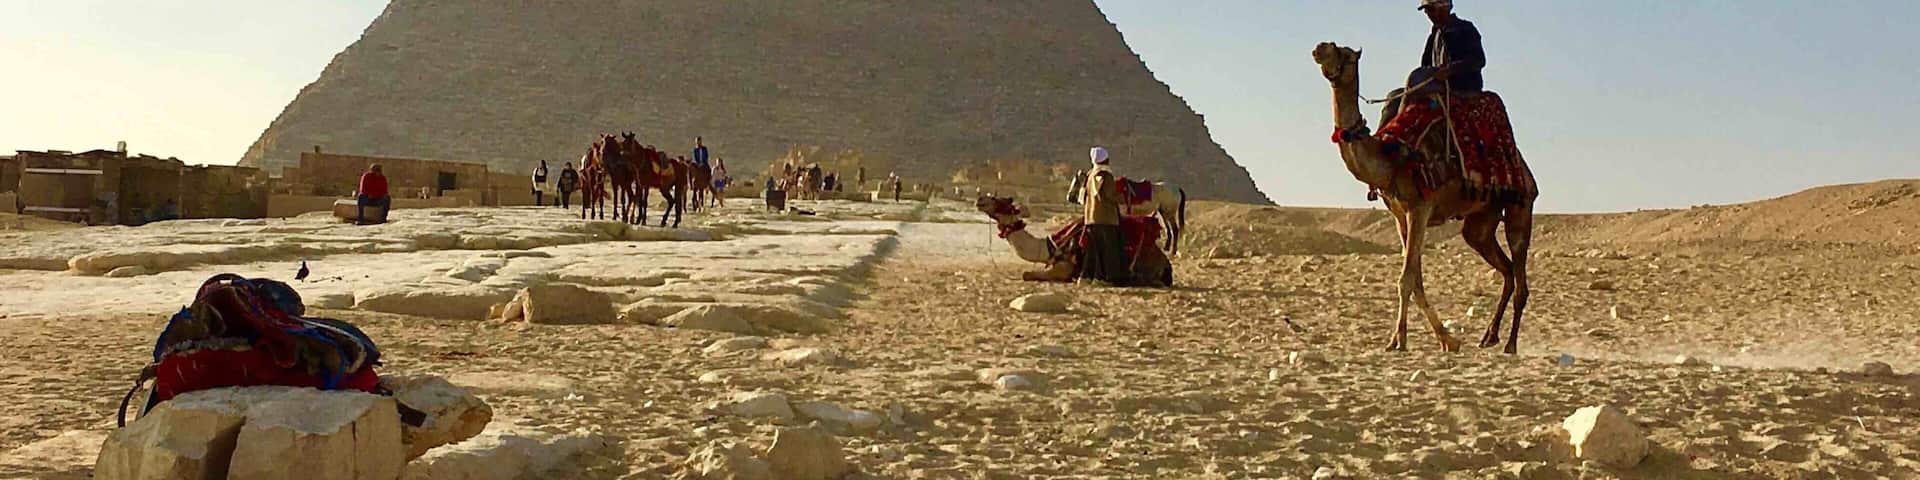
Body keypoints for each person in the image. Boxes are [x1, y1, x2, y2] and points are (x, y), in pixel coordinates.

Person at [1077, 147, 1132, 285]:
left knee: (1093, 250)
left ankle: (1086, 277)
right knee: (1109, 250)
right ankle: (1108, 278)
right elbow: (1107, 195)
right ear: (1105, 159)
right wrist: (1122, 198)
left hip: (1091, 218)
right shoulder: (1105, 175)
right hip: (1106, 219)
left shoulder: (1090, 175)